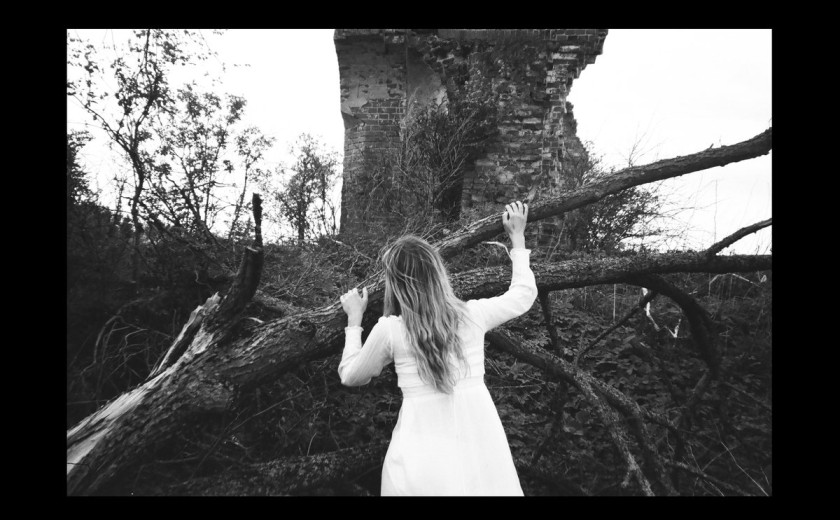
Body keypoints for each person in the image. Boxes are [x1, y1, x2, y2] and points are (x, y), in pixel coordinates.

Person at [338, 200, 537, 496]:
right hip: (480, 451)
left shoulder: (391, 330)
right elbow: (522, 295)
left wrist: (354, 322)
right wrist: (517, 237)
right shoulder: (472, 315)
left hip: (420, 460)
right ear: (437, 273)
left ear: (397, 284)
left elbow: (351, 375)